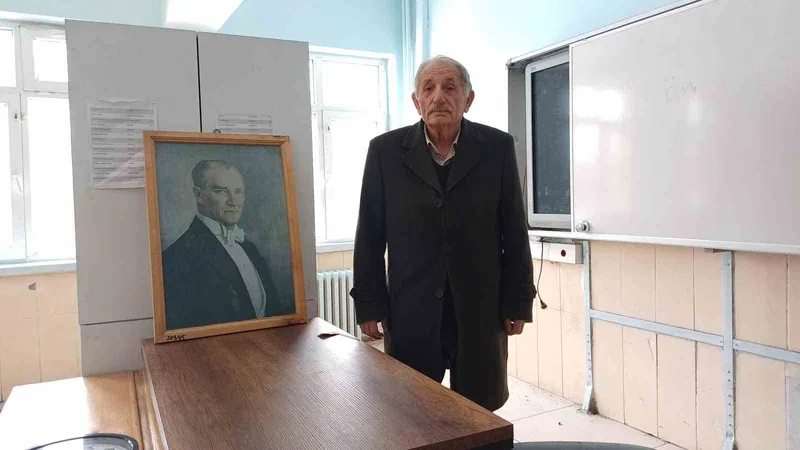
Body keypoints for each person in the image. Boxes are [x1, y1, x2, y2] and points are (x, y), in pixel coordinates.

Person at [350, 55, 535, 411]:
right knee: (412, 410)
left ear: (468, 99)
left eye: (450, 88)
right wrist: (369, 304)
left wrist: (518, 299)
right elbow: (370, 235)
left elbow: (513, 229)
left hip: (480, 308)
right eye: (428, 88)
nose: (438, 97)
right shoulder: (385, 152)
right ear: (416, 101)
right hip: (411, 308)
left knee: (478, 412)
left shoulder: (497, 148)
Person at [162, 160, 279, 330]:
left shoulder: (250, 248)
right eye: (221, 191)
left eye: (238, 192)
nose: (233, 201)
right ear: (198, 195)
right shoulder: (177, 257)